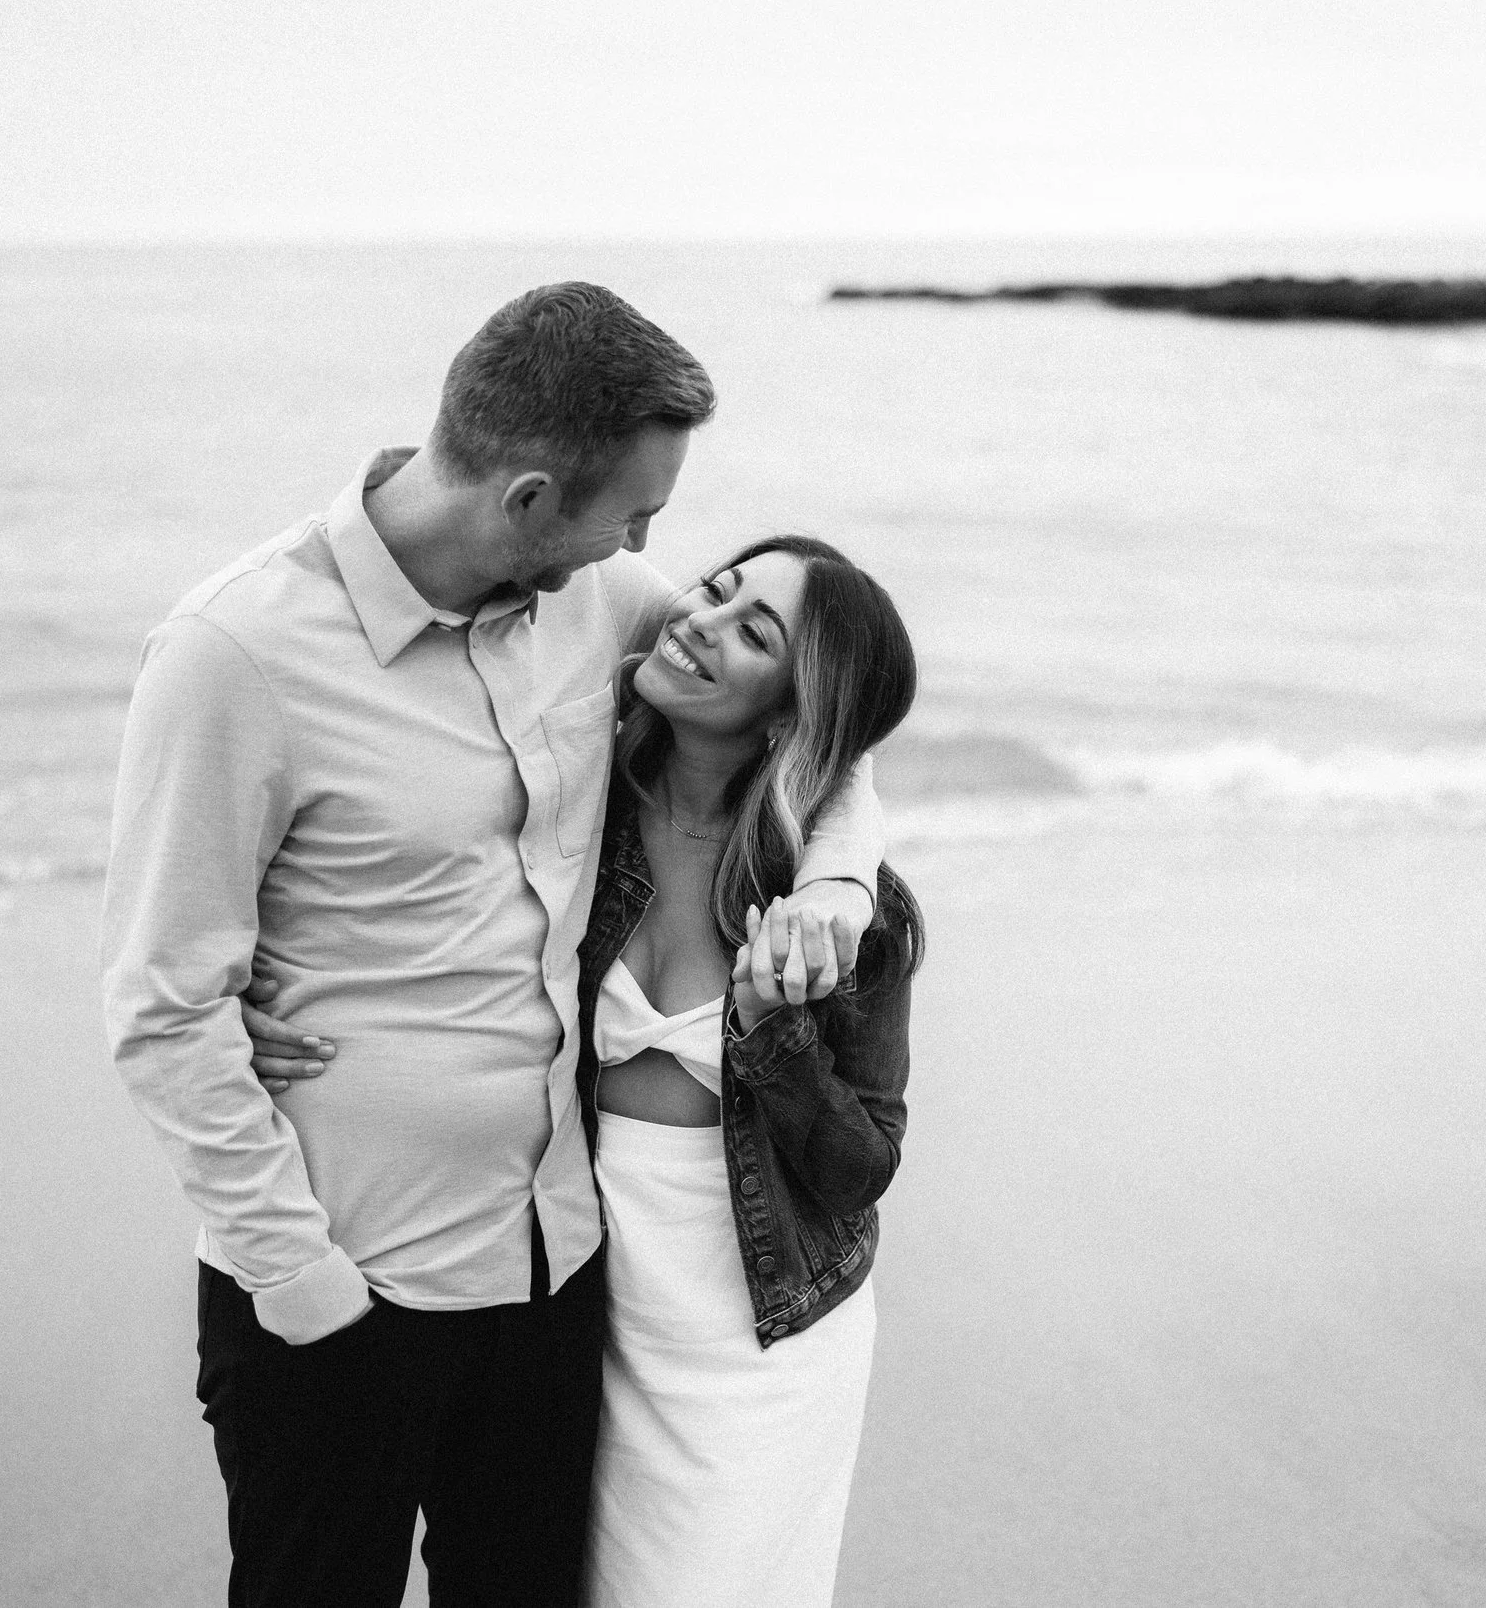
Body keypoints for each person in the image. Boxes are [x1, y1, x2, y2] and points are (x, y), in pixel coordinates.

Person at [99, 284, 883, 1608]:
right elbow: (163, 1006)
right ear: (528, 498)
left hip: (552, 1276)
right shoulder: (232, 652)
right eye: (633, 514)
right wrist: (299, 1281)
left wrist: (839, 889)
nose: (649, 548)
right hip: (342, 1288)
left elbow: (820, 723)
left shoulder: (596, 597)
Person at [244, 535, 921, 1608]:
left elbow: (859, 1167)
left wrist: (771, 1029)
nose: (699, 619)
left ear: (791, 711)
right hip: (577, 1308)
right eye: (717, 589)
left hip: (760, 1334)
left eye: (753, 633)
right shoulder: (581, 808)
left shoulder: (840, 910)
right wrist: (259, 970)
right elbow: (406, 880)